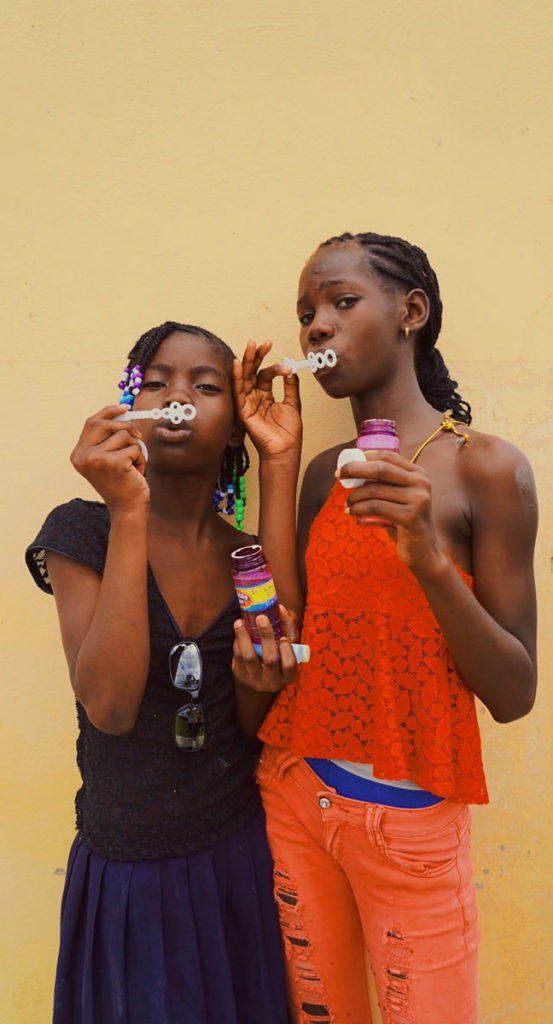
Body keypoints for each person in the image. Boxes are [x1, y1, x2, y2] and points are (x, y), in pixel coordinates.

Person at [234, 232, 538, 1023]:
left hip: (408, 827)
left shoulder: (485, 469)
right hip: (296, 794)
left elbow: (514, 692)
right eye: (307, 316)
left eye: (340, 301)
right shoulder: (316, 475)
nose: (316, 329)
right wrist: (278, 458)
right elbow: (281, 630)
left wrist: (428, 561)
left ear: (411, 312)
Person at [25, 321, 295, 1024]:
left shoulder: (247, 556)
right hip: (129, 878)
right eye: (156, 381)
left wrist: (279, 467)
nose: (178, 395)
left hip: (236, 863)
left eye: (206, 386)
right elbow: (109, 708)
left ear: (234, 428)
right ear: (130, 407)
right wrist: (128, 508)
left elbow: (257, 712)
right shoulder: (83, 531)